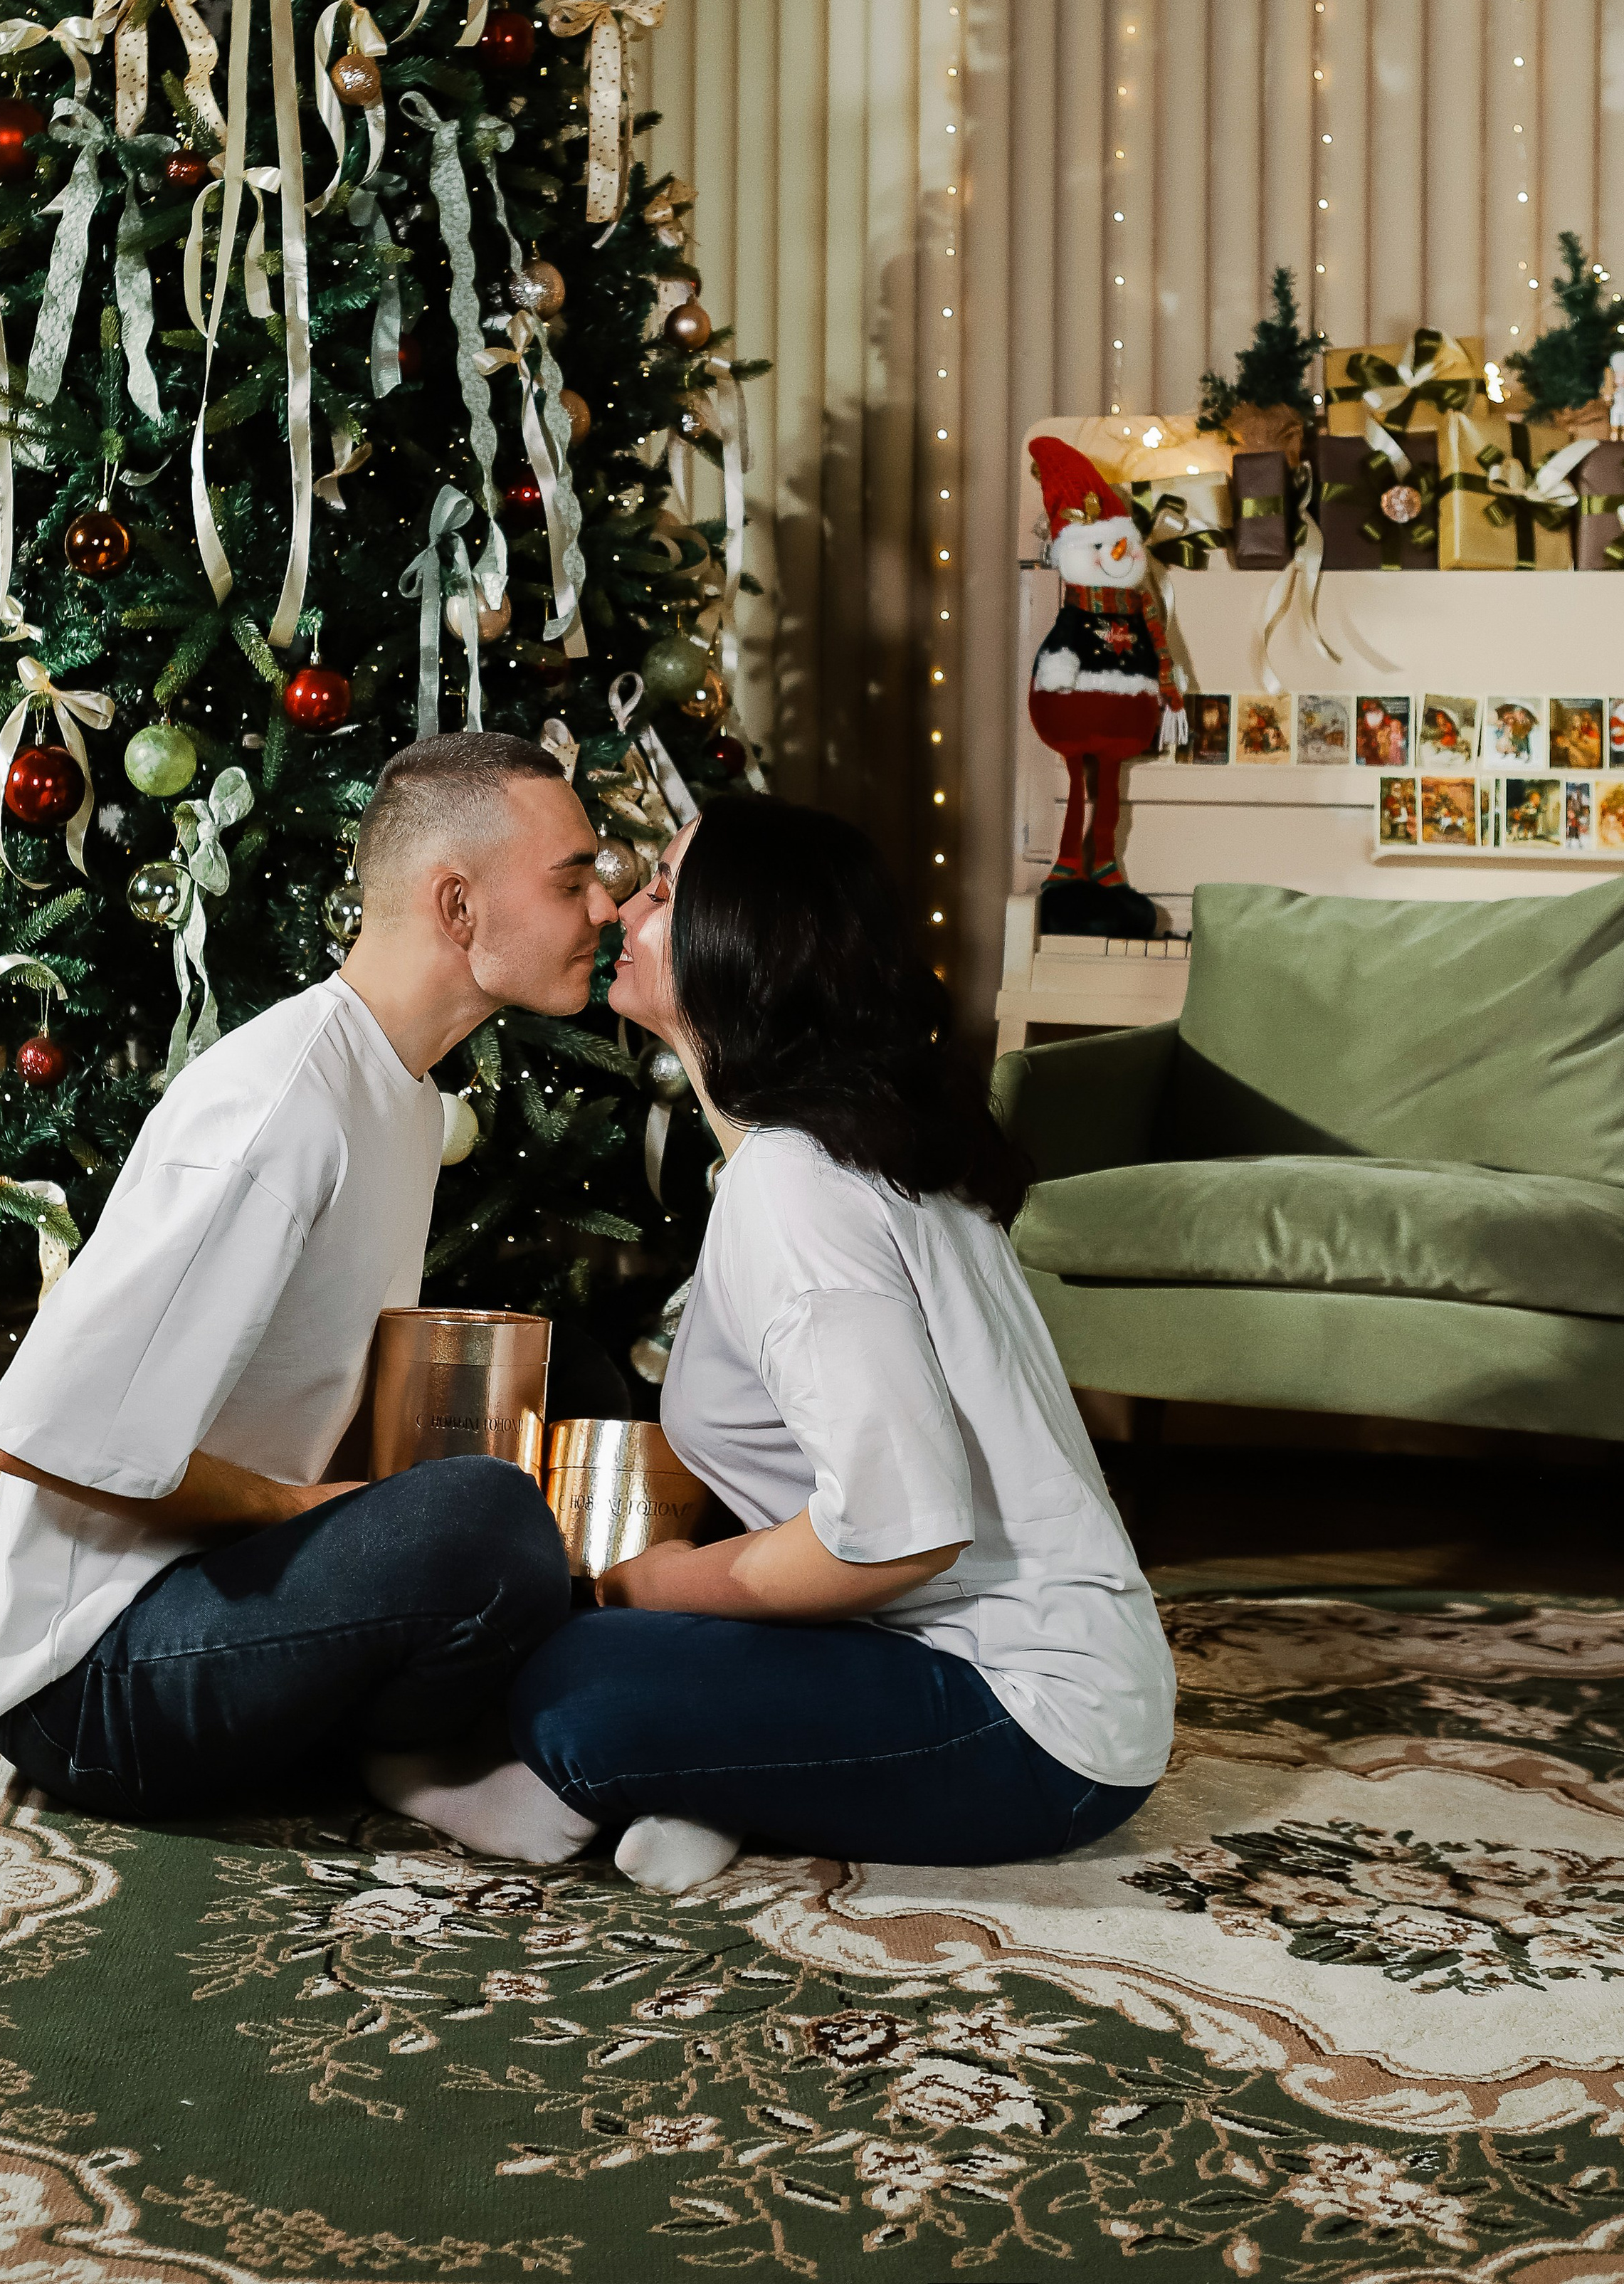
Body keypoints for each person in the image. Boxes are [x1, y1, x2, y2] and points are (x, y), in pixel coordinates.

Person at [382, 794, 1176, 1895]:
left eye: (662, 891)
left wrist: (663, 1587)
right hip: (941, 1664)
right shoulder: (835, 1152)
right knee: (597, 1624)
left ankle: (591, 1780)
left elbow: (899, 1538)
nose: (622, 907)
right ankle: (719, 1789)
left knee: (576, 1683)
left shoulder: (796, 1185)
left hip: (1034, 1727)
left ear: (736, 947)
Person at [0, 732, 617, 1819]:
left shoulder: (401, 1088)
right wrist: (293, 1508)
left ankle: (534, 1720)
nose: (605, 910)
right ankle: (425, 1762)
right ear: (458, 906)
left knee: (561, 1371)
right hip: (92, 1681)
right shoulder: (280, 1105)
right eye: (573, 880)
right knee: (484, 1527)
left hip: (218, 1602)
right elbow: (43, 1431)